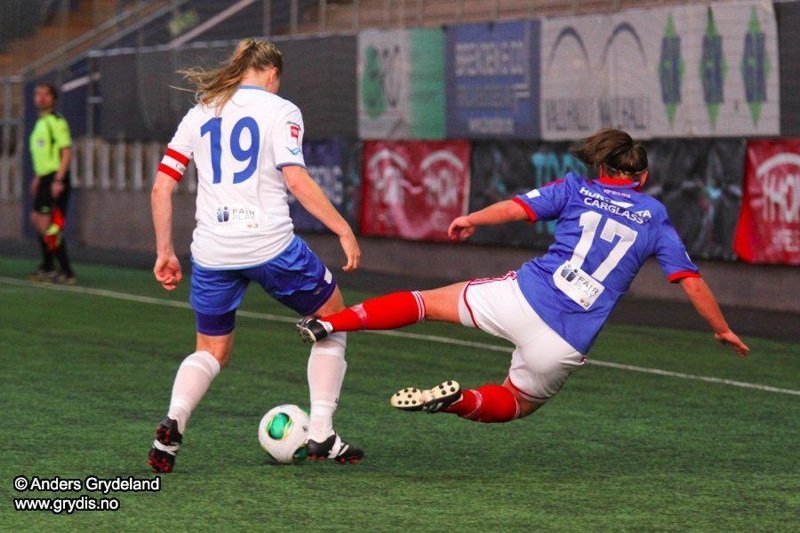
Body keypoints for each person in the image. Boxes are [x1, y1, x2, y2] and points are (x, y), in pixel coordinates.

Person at [297, 128, 749, 425]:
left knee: (424, 303)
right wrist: (722, 329)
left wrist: (473, 217)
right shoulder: (653, 216)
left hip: (524, 296)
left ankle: (329, 323)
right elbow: (690, 280)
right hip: (567, 339)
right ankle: (457, 401)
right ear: (642, 176)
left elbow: (517, 207)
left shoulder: (576, 188)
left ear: (602, 168)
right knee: (515, 403)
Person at [149, 38, 363, 472]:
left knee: (210, 350)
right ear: (271, 74)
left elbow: (162, 187)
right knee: (334, 319)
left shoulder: (200, 112)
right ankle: (321, 431)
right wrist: (343, 229)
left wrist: (165, 252)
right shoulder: (280, 109)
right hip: (270, 244)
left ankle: (172, 428)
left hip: (212, 250)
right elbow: (297, 181)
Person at [28, 82, 76, 284]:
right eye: (38, 94)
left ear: (53, 98)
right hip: (45, 177)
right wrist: (39, 177)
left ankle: (66, 270)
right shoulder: (41, 122)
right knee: (37, 220)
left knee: (50, 224)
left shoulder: (56, 121)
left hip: (56, 177)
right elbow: (44, 154)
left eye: (45, 94)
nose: (41, 98)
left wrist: (58, 179)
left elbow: (66, 151)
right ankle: (48, 266)